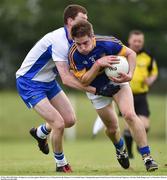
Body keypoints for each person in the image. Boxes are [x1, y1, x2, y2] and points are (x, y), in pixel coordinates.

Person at [16, 4, 117, 173]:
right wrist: (96, 90)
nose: (87, 22)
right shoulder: (59, 41)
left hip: (48, 82)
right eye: (83, 19)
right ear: (70, 21)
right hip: (29, 82)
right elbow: (66, 78)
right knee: (59, 123)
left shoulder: (76, 40)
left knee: (70, 120)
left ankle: (41, 133)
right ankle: (61, 164)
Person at [68, 20, 158, 172]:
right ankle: (120, 148)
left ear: (92, 36)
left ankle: (147, 157)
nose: (82, 48)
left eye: (85, 43)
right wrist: (98, 64)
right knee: (112, 128)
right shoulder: (73, 54)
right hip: (96, 90)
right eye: (78, 44)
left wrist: (130, 74)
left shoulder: (108, 43)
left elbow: (131, 53)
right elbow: (84, 81)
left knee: (129, 114)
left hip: (117, 82)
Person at [123, 30, 158, 159]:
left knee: (145, 124)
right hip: (126, 94)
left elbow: (154, 72)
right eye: (135, 41)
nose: (137, 43)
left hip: (141, 95)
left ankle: (139, 145)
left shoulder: (148, 56)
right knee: (129, 125)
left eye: (140, 41)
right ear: (129, 40)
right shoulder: (122, 54)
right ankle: (129, 152)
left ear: (142, 42)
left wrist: (150, 80)